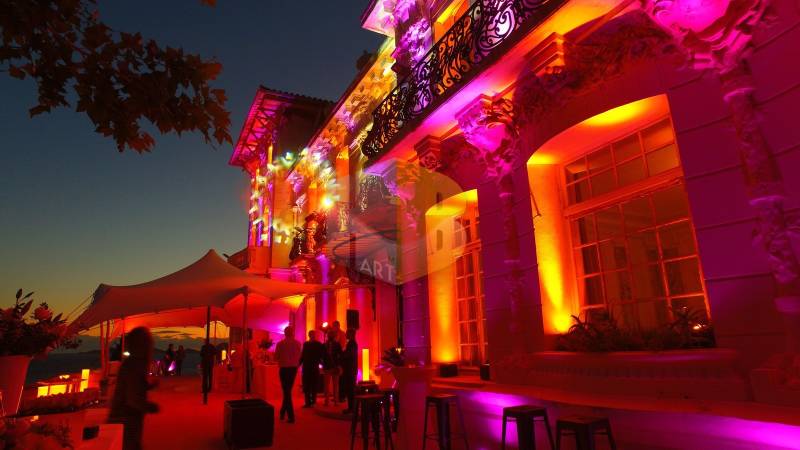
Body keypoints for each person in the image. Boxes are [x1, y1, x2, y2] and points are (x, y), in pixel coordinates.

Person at [108, 327, 159, 450]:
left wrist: (149, 386)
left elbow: (135, 385)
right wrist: (151, 407)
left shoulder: (132, 362)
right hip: (125, 417)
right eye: (148, 342)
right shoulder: (135, 364)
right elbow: (133, 399)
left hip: (126, 415)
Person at [274, 325, 301, 423]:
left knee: (286, 391)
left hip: (284, 369)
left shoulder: (280, 344)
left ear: (285, 333)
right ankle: (282, 412)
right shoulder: (298, 343)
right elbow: (299, 357)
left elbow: (276, 357)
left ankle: (291, 416)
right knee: (287, 391)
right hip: (293, 369)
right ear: (293, 333)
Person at [299, 330, 326, 407]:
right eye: (311, 334)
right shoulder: (315, 344)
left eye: (312, 334)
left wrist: (299, 363)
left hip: (310, 367)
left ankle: (311, 402)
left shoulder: (308, 344)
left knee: (311, 385)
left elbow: (303, 356)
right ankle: (309, 402)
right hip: (310, 367)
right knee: (309, 385)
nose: (311, 335)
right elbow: (303, 355)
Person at [340, 328, 358, 414]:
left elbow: (348, 355)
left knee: (350, 389)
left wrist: (341, 354)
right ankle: (351, 408)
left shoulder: (352, 343)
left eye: (347, 333)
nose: (345, 334)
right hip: (351, 369)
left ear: (351, 334)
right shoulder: (351, 343)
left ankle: (352, 408)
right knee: (350, 389)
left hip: (350, 370)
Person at [322, 329, 342, 406]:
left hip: (334, 367)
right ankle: (328, 401)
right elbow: (322, 356)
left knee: (335, 385)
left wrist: (339, 365)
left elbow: (340, 356)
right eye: (329, 334)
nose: (330, 336)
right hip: (328, 367)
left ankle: (335, 401)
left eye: (331, 334)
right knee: (328, 385)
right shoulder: (324, 345)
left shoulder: (337, 345)